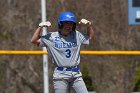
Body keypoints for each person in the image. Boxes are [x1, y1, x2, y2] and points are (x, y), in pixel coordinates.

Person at [31, 11, 94, 93]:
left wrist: (89, 25)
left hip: (75, 74)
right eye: (66, 23)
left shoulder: (77, 35)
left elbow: (90, 37)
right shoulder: (52, 37)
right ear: (60, 24)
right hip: (60, 75)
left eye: (71, 24)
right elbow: (34, 40)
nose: (69, 26)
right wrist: (40, 26)